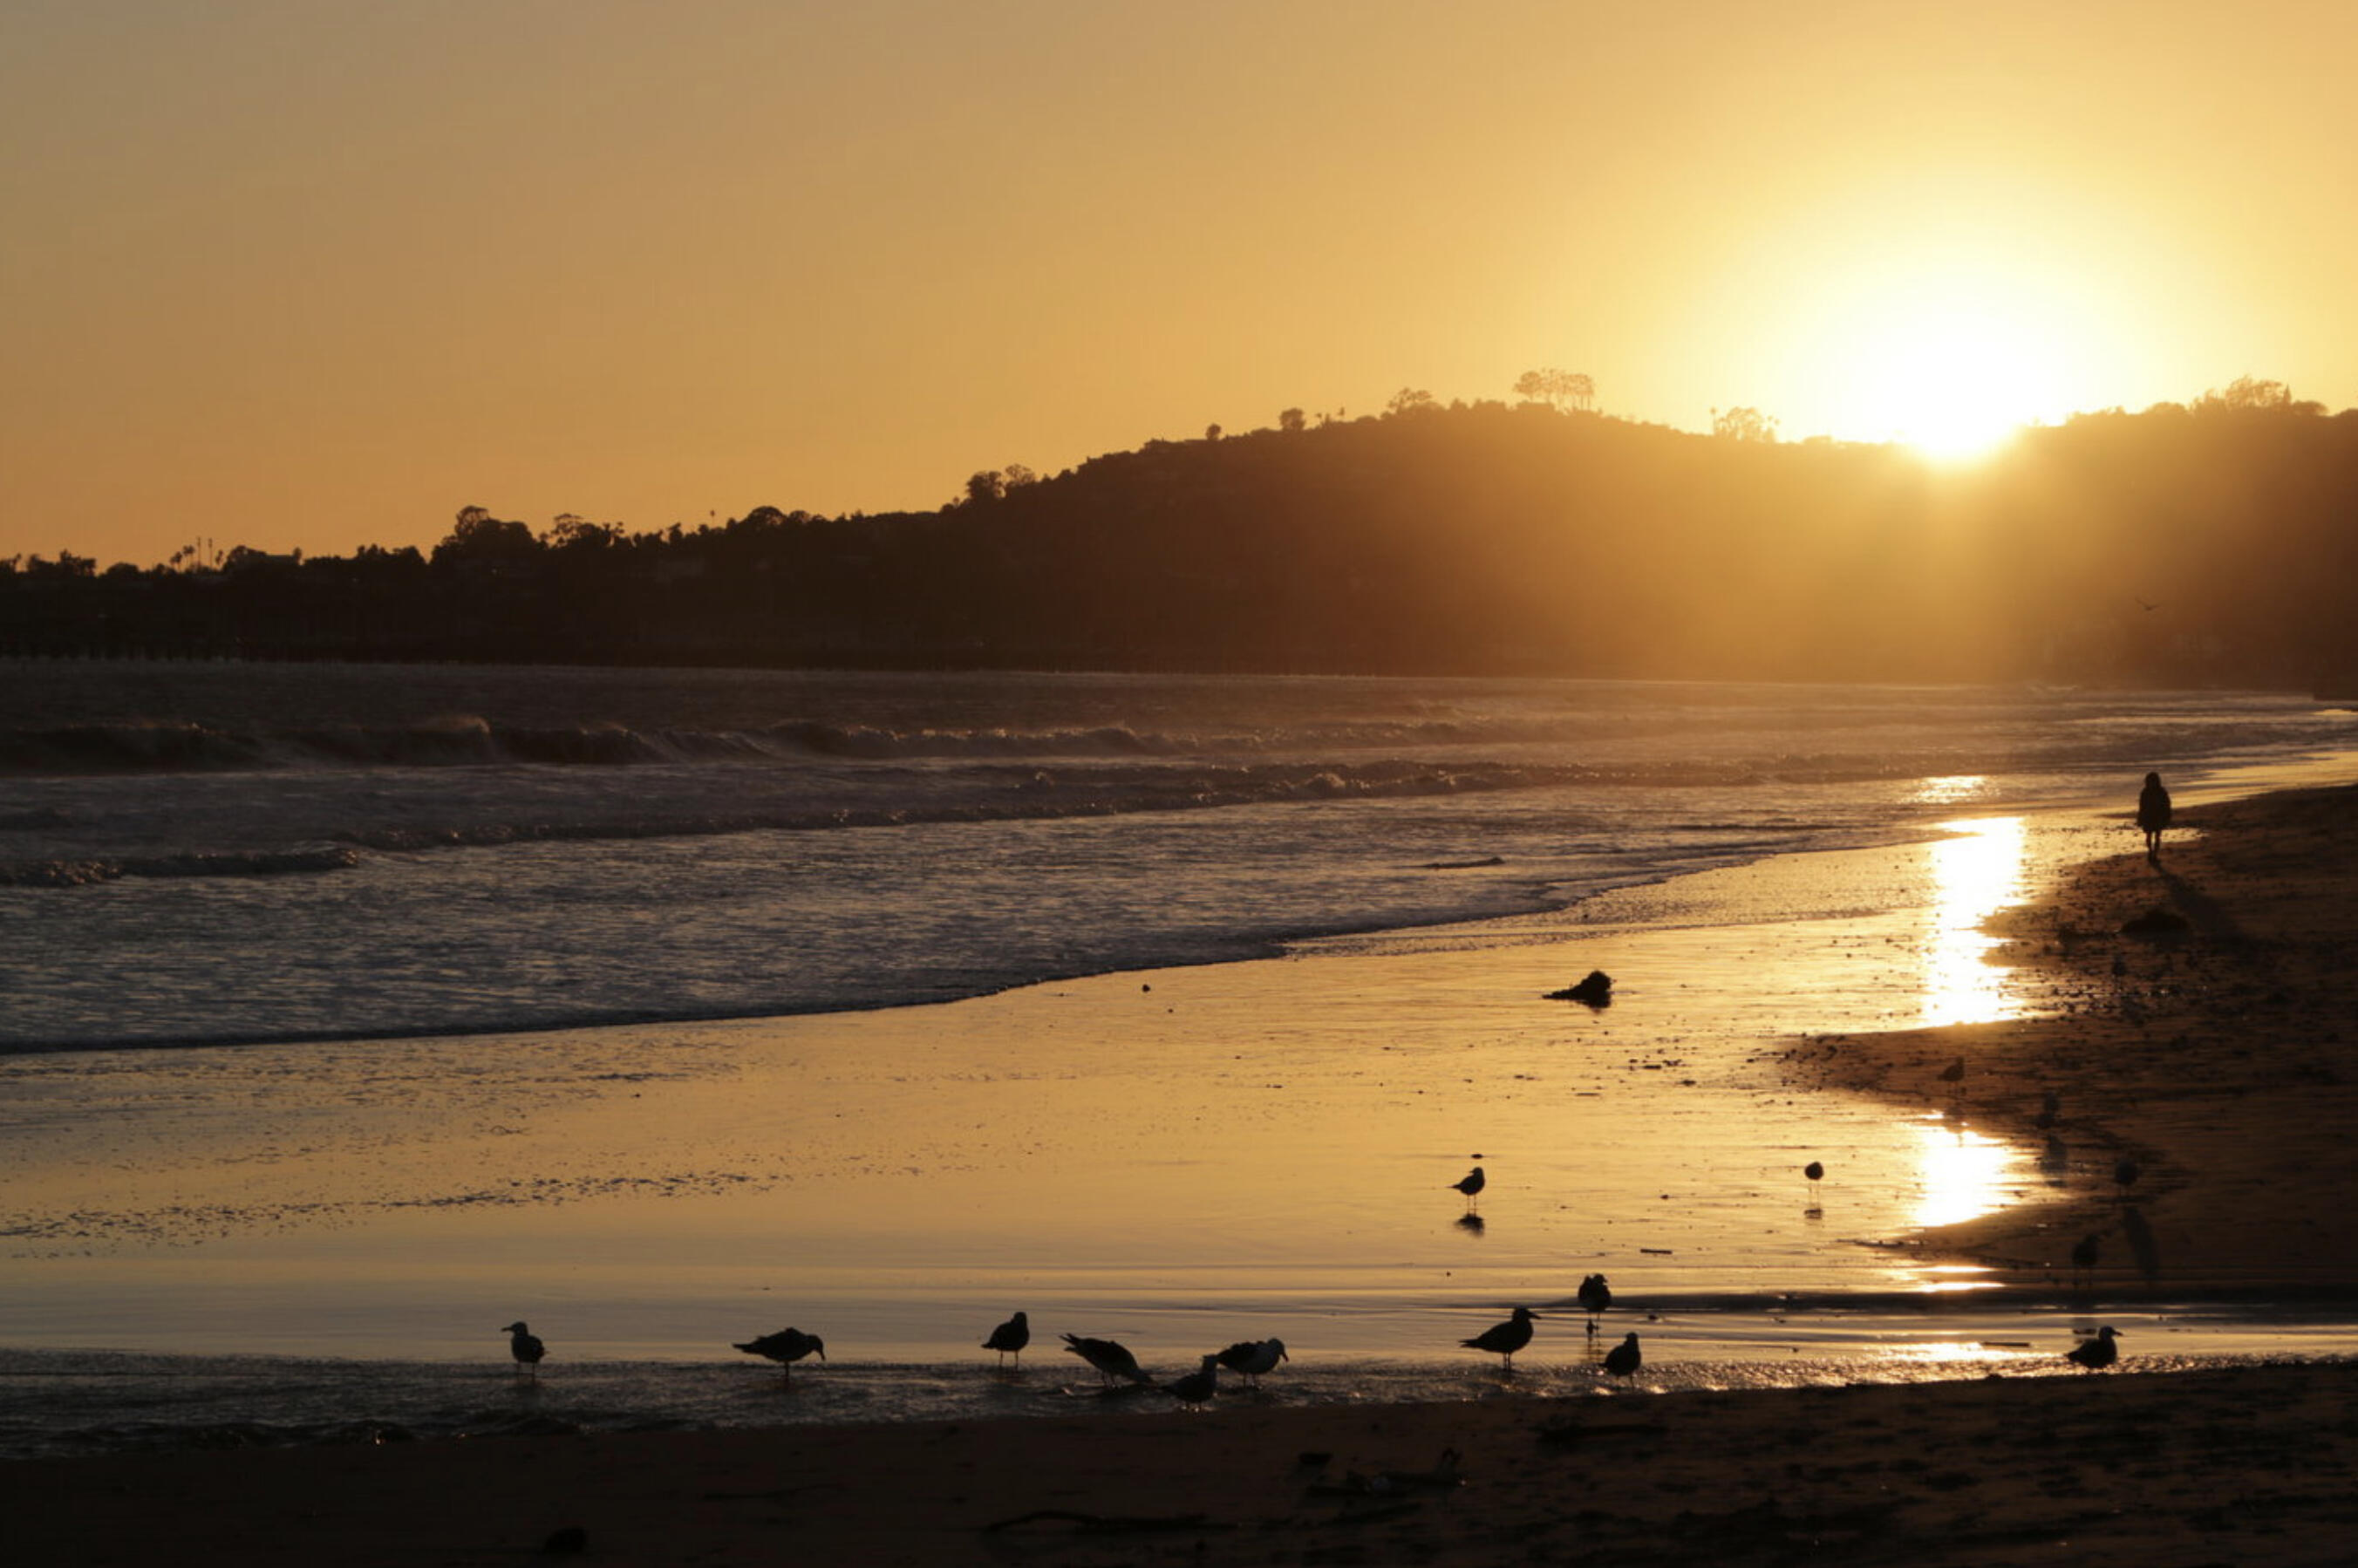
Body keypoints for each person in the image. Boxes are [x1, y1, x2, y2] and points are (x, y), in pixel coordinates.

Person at [2137, 771, 2172, 859]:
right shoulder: (2145, 792)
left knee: (2157, 836)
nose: (2151, 783)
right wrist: (2140, 817)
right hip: (2148, 816)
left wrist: (2167, 815)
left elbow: (2167, 804)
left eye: (2153, 781)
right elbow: (2142, 806)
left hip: (2158, 816)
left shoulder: (2161, 792)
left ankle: (2154, 854)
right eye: (2150, 781)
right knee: (2149, 836)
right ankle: (2150, 851)